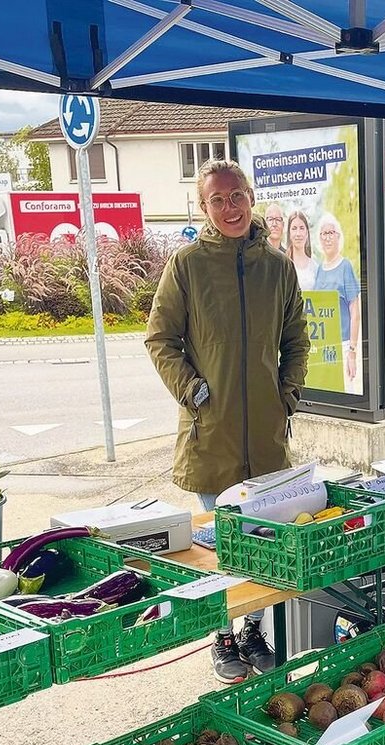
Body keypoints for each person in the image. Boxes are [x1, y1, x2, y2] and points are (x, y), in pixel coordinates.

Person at [146, 159, 309, 684]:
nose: (230, 207)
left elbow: (296, 341)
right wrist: (193, 391)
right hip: (210, 434)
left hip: (265, 437)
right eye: (218, 199)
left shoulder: (278, 268)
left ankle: (253, 630)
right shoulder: (187, 266)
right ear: (203, 207)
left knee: (262, 541)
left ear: (251, 197)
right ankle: (221, 635)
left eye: (237, 195)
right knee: (220, 545)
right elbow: (161, 339)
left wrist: (286, 395)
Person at [312, 213, 361, 392]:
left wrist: (352, 352)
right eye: (323, 234)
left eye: (331, 233)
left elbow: (355, 313)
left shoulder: (345, 267)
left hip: (342, 344)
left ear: (338, 236)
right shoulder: (319, 270)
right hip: (324, 345)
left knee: (344, 391)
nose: (327, 238)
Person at [286, 210, 319, 292]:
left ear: (307, 233)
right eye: (294, 228)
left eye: (301, 228)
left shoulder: (315, 268)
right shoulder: (283, 266)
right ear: (289, 234)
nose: (298, 233)